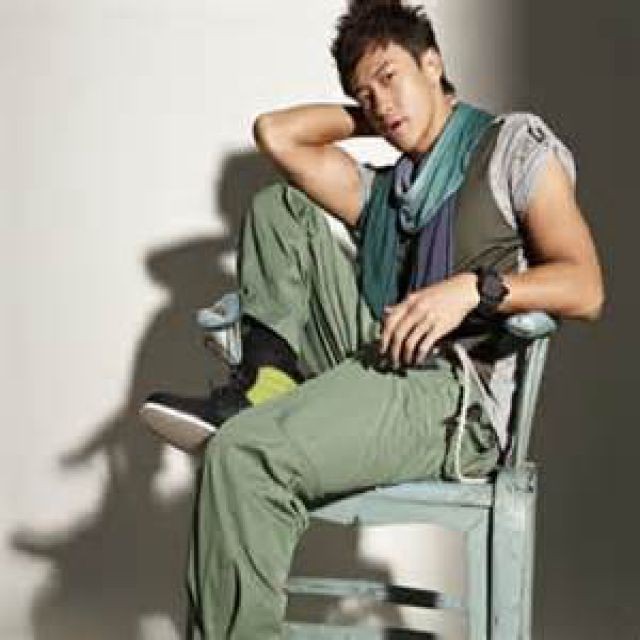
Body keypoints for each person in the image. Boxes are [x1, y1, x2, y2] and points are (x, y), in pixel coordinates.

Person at [140, 0, 604, 637]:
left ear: (433, 63)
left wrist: (472, 289)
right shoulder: (385, 191)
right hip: (380, 358)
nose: (381, 103)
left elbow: (585, 287)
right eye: (365, 93)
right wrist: (382, 114)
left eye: (390, 77)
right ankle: (269, 382)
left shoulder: (510, 147)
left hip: (453, 396)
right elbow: (275, 134)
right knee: (282, 205)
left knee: (241, 456)